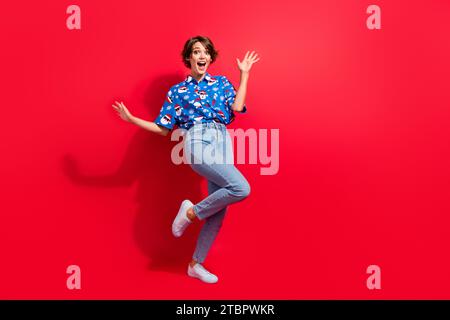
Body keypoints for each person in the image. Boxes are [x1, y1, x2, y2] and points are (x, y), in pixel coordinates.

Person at [112, 35, 259, 284]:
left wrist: (244, 74)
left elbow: (237, 107)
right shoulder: (178, 92)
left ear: (211, 58)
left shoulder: (222, 83)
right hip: (196, 139)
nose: (201, 56)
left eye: (205, 52)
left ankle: (195, 264)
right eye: (196, 52)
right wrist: (132, 119)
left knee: (218, 212)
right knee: (241, 188)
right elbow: (163, 128)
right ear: (189, 58)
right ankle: (190, 213)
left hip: (222, 139)